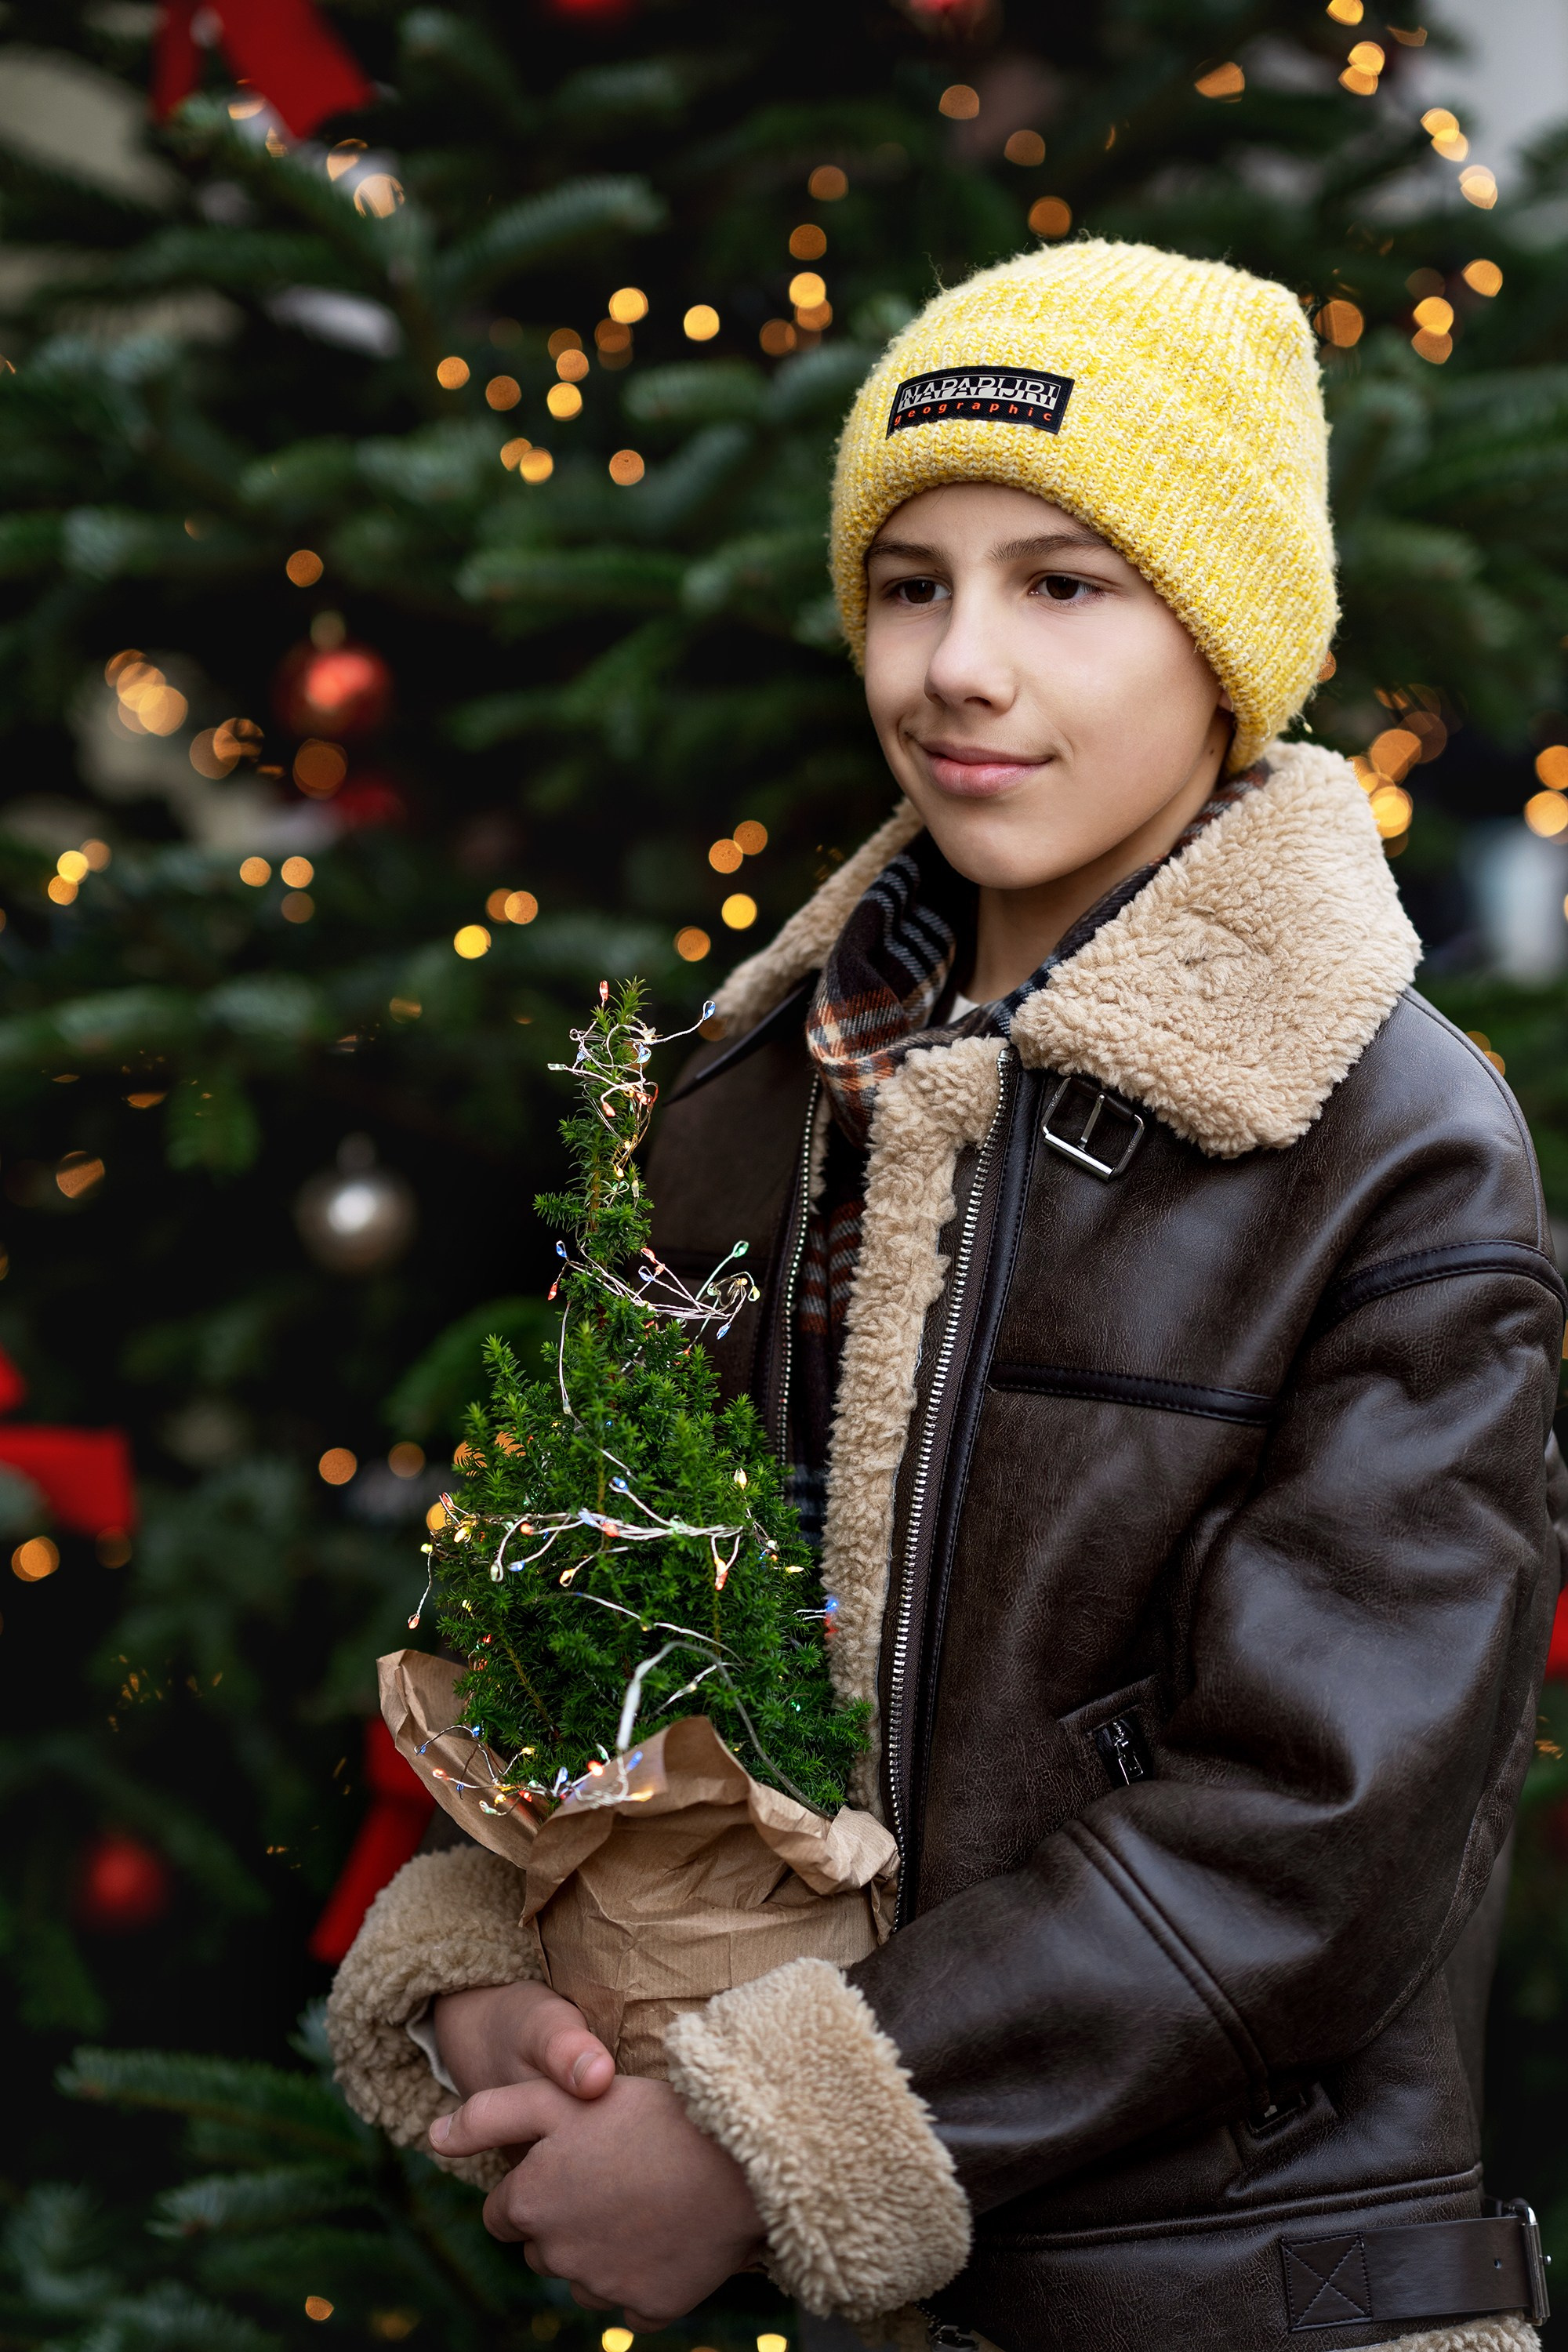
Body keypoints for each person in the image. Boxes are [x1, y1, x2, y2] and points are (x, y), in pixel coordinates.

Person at [327, 239, 1565, 2352]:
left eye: (1064, 585)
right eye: (914, 583)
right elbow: (591, 1646)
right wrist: (510, 1983)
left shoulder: (1392, 1147)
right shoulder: (742, 1095)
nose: (958, 668)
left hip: (1235, 2302)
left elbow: (1315, 1831)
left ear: (1224, 633)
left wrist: (762, 2139)